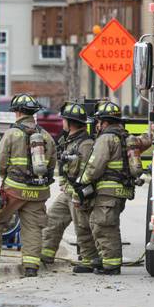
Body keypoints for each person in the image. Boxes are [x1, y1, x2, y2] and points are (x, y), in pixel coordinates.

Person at [0, 94, 56, 277]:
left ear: (18, 112)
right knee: (32, 228)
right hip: (38, 192)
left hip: (14, 189)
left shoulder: (11, 134)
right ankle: (31, 267)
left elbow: (0, 162)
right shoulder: (45, 136)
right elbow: (52, 164)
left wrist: (4, 177)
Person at [40, 102, 101, 273]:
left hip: (78, 193)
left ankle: (90, 260)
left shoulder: (86, 143)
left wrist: (80, 193)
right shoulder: (69, 140)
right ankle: (46, 254)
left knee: (82, 227)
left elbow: (88, 169)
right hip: (67, 191)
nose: (62, 123)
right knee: (52, 219)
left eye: (64, 120)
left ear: (70, 122)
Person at [77, 101, 135, 275]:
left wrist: (82, 181)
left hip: (109, 190)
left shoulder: (106, 138)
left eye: (98, 122)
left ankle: (111, 265)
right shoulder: (125, 136)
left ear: (105, 122)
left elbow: (95, 166)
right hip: (120, 190)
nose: (97, 125)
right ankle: (106, 260)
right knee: (105, 223)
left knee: (104, 226)